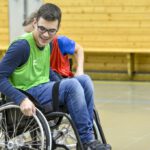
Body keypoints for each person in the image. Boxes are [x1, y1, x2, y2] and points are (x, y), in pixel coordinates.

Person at [0, 3, 105, 150]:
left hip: (42, 90)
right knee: (72, 85)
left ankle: (89, 137)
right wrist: (21, 99)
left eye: (51, 31)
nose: (45, 34)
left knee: (84, 81)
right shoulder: (22, 46)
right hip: (27, 94)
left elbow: (46, 70)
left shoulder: (48, 44)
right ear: (35, 22)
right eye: (42, 28)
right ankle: (86, 141)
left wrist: (63, 84)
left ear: (57, 29)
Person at [22, 11, 84, 81]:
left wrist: (79, 70)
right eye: (27, 33)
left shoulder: (60, 41)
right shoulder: (27, 45)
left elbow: (79, 49)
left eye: (30, 32)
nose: (29, 36)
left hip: (61, 79)